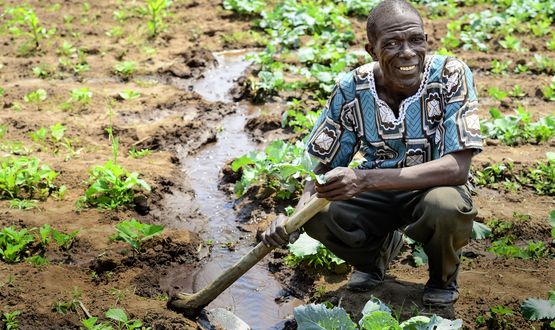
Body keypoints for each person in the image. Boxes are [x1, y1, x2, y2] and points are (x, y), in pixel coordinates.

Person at [261, 0, 483, 307]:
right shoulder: (351, 89)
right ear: (372, 51)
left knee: (445, 206)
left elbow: (457, 168)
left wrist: (364, 179)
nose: (407, 53)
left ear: (426, 41)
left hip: (433, 187)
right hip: (377, 193)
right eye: (391, 44)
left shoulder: (450, 76)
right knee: (318, 213)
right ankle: (373, 256)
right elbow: (320, 166)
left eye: (416, 40)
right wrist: (293, 222)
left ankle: (443, 277)